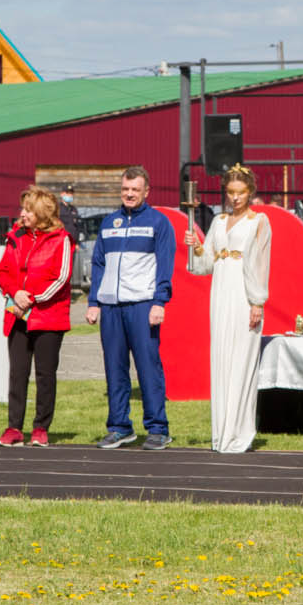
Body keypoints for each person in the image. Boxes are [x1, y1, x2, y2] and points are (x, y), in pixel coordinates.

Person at [87, 165, 175, 451]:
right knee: (114, 369)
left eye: (135, 189)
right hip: (111, 307)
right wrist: (93, 302)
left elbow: (165, 264)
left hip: (142, 305)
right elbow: (98, 263)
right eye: (125, 189)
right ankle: (119, 427)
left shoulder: (158, 222)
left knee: (148, 368)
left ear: (146, 191)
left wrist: (159, 301)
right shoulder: (108, 222)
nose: (129, 194)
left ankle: (158, 429)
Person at [187, 164, 272, 454]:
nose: (235, 198)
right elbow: (206, 262)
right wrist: (196, 247)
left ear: (250, 192)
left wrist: (257, 301)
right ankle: (221, 432)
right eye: (230, 192)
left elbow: (261, 263)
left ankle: (240, 432)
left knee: (242, 361)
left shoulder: (258, 221)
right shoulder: (218, 221)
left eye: (241, 193)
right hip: (221, 292)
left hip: (244, 294)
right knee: (222, 358)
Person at [0, 186, 73, 448]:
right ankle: (13, 427)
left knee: (45, 374)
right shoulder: (15, 236)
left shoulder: (61, 239)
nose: (22, 214)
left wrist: (32, 299)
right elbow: (1, 272)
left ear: (41, 214)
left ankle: (41, 427)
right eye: (23, 209)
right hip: (17, 314)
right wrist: (15, 293)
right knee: (17, 373)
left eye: (28, 210)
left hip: (48, 317)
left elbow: (61, 279)